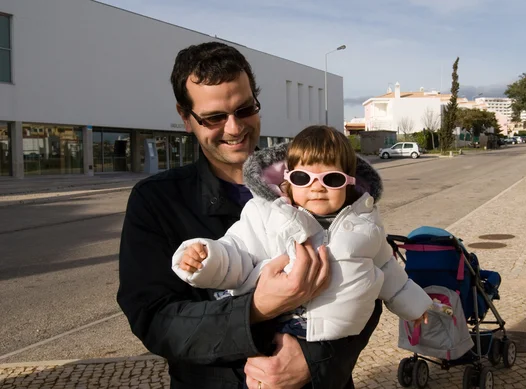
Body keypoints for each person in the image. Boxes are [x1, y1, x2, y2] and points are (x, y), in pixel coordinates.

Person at [117, 41, 383, 389]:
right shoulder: (158, 201)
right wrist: (256, 307)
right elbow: (153, 319)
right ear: (186, 118)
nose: (233, 128)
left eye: (244, 109)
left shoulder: (316, 178)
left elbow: (370, 282)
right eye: (214, 117)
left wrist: (313, 362)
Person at [173, 125, 432, 344]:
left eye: (331, 179)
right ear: (287, 179)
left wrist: (414, 306)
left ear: (349, 182)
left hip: (340, 340)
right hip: (280, 326)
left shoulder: (365, 221)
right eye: (302, 177)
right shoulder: (267, 214)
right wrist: (205, 258)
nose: (317, 188)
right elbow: (237, 251)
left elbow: (387, 268)